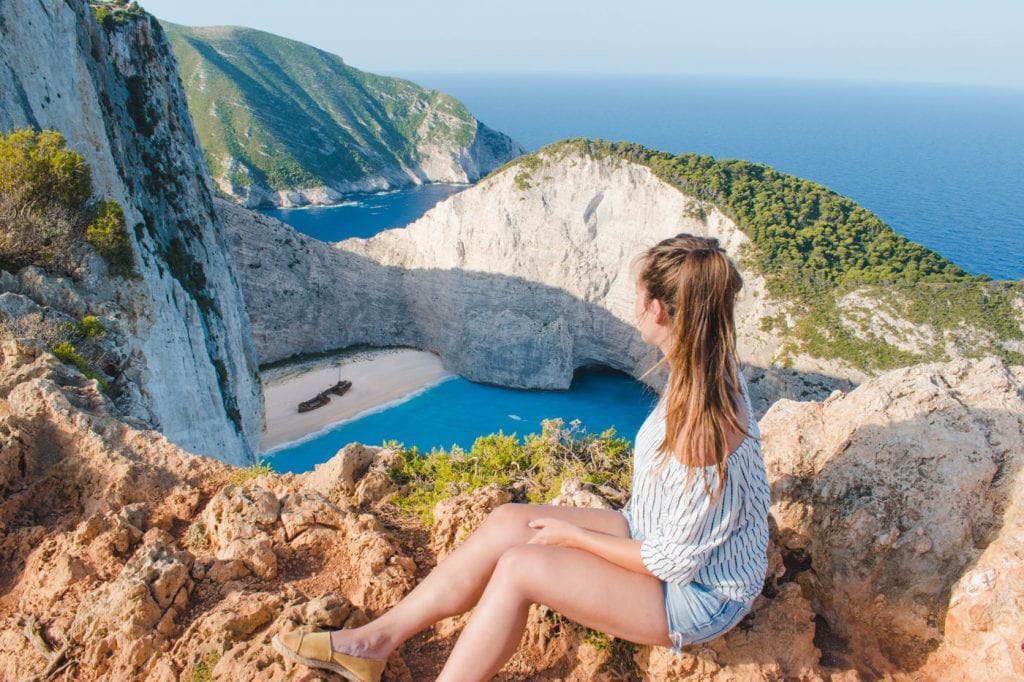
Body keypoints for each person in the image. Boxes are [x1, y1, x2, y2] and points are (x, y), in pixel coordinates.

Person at [271, 233, 770, 682]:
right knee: (510, 522)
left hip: (697, 595)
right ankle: (373, 642)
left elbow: (671, 562)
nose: (632, 307)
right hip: (650, 531)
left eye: (638, 297)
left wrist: (576, 537)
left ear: (658, 310)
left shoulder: (704, 421)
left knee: (519, 568)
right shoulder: (703, 364)